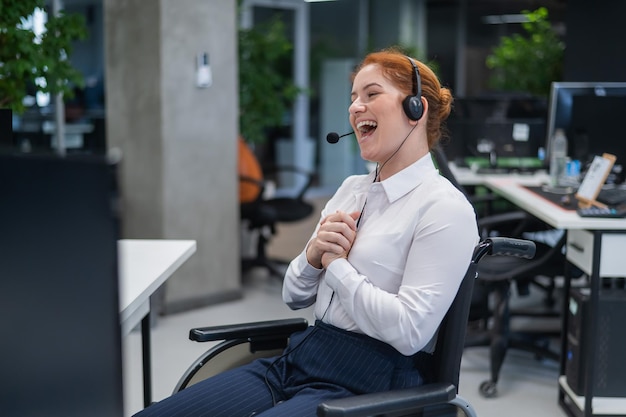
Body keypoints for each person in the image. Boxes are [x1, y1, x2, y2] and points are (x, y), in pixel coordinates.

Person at [133, 47, 478, 417]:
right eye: (353, 98)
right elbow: (294, 296)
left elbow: (410, 332)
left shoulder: (444, 208)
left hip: (370, 383)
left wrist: (339, 267)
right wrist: (314, 256)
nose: (355, 107)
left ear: (416, 108)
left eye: (371, 94)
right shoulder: (352, 189)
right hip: (300, 357)